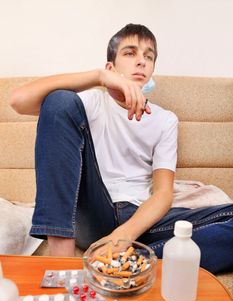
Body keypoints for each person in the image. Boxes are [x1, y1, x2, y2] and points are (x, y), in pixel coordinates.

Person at [10, 24, 233, 273]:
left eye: (148, 56)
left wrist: (126, 234)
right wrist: (98, 77)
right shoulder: (92, 101)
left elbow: (162, 193)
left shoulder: (165, 120)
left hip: (140, 220)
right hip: (92, 213)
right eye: (130, 53)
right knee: (58, 99)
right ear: (111, 67)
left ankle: (130, 261)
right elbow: (19, 100)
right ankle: (63, 262)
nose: (141, 61)